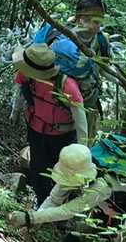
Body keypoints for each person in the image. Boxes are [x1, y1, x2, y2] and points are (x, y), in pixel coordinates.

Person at [11, 41, 88, 203]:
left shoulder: (67, 86)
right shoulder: (26, 75)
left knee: (62, 171)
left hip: (62, 136)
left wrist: (82, 151)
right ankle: (41, 203)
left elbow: (81, 120)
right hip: (35, 129)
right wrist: (15, 112)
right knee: (38, 169)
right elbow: (19, 92)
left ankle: (60, 206)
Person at [33, 0, 113, 142]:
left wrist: (122, 81)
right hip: (49, 102)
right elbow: (34, 61)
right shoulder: (58, 32)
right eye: (93, 20)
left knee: (80, 146)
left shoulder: (101, 40)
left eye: (99, 21)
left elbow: (104, 68)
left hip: (85, 102)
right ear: (79, 18)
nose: (96, 26)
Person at [6, 143, 118, 230]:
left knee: (106, 231)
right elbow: (54, 199)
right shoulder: (75, 163)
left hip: (119, 202)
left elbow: (68, 210)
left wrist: (30, 218)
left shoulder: (100, 187)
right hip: (99, 194)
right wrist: (34, 221)